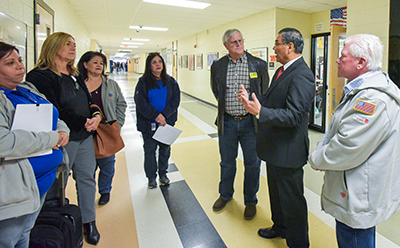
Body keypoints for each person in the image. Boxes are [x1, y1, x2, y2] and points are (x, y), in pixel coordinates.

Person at [309, 34, 400, 248]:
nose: (338, 60)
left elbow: (348, 146)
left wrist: (317, 159)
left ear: (361, 63)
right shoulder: (360, 91)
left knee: (355, 238)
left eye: (343, 56)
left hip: (357, 192)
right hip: (355, 188)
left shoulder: (372, 99)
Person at [238, 28, 314, 247]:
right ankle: (279, 227)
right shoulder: (282, 71)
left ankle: (298, 243)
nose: (274, 47)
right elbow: (274, 101)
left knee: (292, 201)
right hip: (275, 149)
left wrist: (260, 112)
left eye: (277, 43)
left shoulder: (302, 75)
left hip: (289, 151)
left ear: (290, 47)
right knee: (277, 195)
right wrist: (253, 100)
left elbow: (294, 115)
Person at [26, 32, 101, 245]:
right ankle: (53, 224)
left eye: (74, 45)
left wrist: (96, 116)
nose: (73, 48)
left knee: (87, 178)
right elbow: (53, 109)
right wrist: (84, 121)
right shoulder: (40, 76)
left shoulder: (74, 74)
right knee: (56, 182)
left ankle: (89, 221)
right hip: (61, 139)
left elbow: (89, 100)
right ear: (53, 46)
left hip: (85, 136)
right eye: (67, 44)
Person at [0, 41, 69, 248]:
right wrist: (52, 138)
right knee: (8, 240)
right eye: (10, 63)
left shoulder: (26, 88)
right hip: (15, 190)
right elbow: (3, 142)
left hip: (39, 183)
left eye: (20, 60)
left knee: (24, 235)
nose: (21, 66)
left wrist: (63, 130)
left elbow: (52, 113)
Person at [210, 28, 269, 220]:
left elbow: (263, 93)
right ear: (226, 45)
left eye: (240, 40)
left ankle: (250, 201)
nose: (239, 44)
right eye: (234, 42)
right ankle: (225, 195)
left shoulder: (258, 64)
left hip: (250, 124)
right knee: (227, 162)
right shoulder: (218, 66)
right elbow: (216, 90)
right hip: (227, 121)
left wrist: (252, 104)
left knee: (253, 163)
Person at [77, 51, 127, 205]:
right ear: (85, 64)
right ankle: (86, 193)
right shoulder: (77, 84)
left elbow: (121, 104)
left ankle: (105, 191)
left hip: (106, 130)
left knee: (107, 164)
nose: (99, 66)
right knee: (85, 167)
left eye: (101, 63)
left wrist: (117, 124)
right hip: (84, 131)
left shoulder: (110, 84)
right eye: (95, 62)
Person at [134, 52, 180, 189]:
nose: (158, 64)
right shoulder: (143, 82)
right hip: (149, 124)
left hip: (166, 123)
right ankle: (151, 177)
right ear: (149, 65)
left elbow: (175, 101)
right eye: (154, 62)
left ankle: (163, 174)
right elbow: (140, 102)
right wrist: (156, 116)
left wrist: (164, 116)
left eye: (159, 61)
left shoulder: (171, 81)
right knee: (150, 151)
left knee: (165, 150)